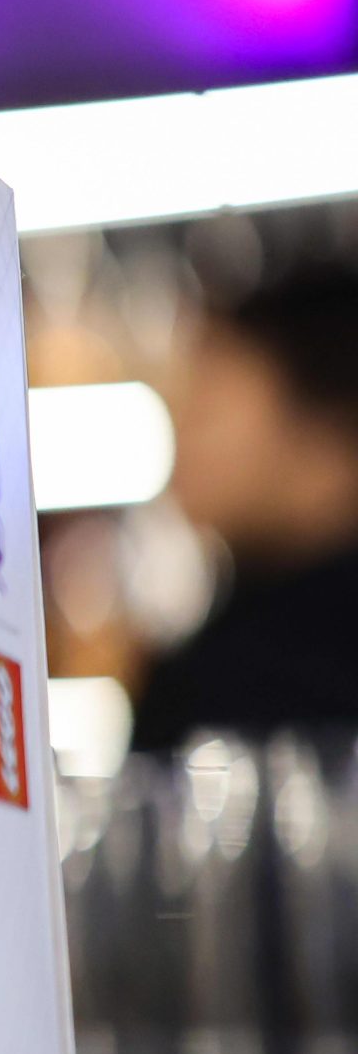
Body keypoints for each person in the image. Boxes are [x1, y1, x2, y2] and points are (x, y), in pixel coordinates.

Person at [132, 266, 358, 749]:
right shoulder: (228, 644)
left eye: (204, 411)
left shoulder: (240, 671)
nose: (179, 443)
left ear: (326, 425)